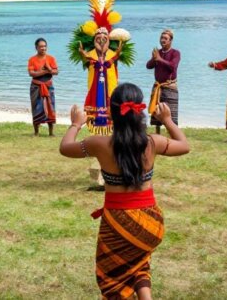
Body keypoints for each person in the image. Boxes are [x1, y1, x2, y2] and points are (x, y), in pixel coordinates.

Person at [59, 83, 190, 300]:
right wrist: (167, 120)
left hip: (118, 222)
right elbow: (184, 145)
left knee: (112, 277)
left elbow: (65, 148)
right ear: (141, 113)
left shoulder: (98, 144)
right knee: (139, 263)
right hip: (151, 223)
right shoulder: (152, 142)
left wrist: (75, 124)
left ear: (112, 113)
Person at [79, 28, 125, 136]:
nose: (101, 41)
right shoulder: (89, 54)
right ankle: (95, 132)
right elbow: (87, 64)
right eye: (98, 38)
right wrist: (82, 54)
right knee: (94, 107)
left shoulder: (113, 54)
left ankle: (111, 130)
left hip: (110, 86)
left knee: (112, 105)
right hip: (94, 87)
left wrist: (117, 54)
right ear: (94, 40)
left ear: (108, 40)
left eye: (105, 38)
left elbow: (115, 68)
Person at [146, 29, 181, 134]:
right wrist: (154, 58)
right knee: (157, 112)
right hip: (158, 86)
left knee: (171, 113)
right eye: (161, 38)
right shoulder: (158, 52)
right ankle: (157, 134)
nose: (162, 40)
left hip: (170, 86)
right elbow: (148, 66)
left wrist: (159, 59)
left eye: (165, 38)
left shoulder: (176, 53)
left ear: (171, 40)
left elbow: (173, 66)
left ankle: (173, 135)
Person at [28, 38, 59, 136]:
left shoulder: (51, 58)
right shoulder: (32, 59)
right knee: (36, 107)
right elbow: (31, 73)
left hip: (48, 85)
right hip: (36, 86)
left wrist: (49, 69)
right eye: (41, 46)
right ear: (36, 47)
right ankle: (36, 132)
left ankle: (51, 133)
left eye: (45, 46)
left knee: (51, 107)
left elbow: (56, 72)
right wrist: (45, 71)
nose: (43, 48)